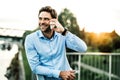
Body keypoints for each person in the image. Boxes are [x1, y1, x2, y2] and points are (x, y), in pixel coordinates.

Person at [24, 6, 87, 80]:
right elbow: (35, 67)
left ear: (54, 21)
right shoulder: (31, 39)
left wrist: (64, 31)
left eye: (46, 19)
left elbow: (83, 48)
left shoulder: (62, 35)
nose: (42, 22)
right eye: (40, 18)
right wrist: (59, 73)